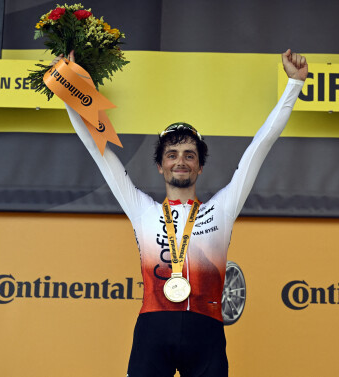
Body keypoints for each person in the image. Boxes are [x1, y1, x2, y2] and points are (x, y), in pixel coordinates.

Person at [61, 49, 307, 376]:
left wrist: (294, 84)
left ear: (200, 167)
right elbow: (97, 151)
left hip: (205, 333)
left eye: (190, 155)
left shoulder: (223, 208)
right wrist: (67, 90)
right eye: (172, 154)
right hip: (153, 329)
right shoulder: (141, 209)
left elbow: (260, 146)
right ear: (161, 166)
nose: (180, 160)